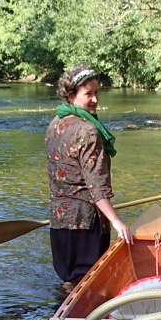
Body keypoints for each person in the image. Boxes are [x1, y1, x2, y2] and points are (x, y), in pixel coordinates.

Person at [45, 65, 133, 290]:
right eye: (88, 94)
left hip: (59, 221)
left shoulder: (55, 124)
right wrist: (116, 222)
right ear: (71, 95)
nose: (95, 99)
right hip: (86, 223)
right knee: (89, 286)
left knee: (71, 283)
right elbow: (96, 185)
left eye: (97, 93)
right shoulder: (89, 131)